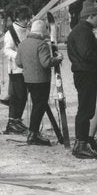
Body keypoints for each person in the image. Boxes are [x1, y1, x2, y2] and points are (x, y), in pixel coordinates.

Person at [67, 2, 97, 158]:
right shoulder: (83, 32)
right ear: (91, 16)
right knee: (85, 109)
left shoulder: (83, 30)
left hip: (85, 71)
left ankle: (85, 140)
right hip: (85, 72)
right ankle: (81, 144)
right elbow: (87, 54)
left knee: (87, 109)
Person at [15, 19, 62, 147]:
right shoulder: (41, 44)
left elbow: (18, 63)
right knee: (39, 107)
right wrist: (57, 59)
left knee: (37, 106)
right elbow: (46, 63)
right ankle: (33, 134)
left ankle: (33, 133)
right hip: (41, 80)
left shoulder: (23, 44)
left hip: (28, 79)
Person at [1, 6, 32, 135]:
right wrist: (19, 56)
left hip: (25, 69)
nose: (27, 21)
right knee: (16, 96)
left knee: (23, 96)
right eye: (25, 19)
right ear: (19, 18)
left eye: (28, 18)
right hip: (15, 69)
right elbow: (6, 50)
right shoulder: (11, 32)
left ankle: (17, 120)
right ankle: (12, 122)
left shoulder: (26, 31)